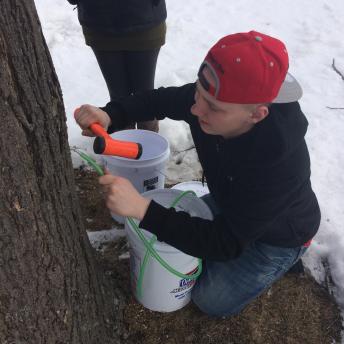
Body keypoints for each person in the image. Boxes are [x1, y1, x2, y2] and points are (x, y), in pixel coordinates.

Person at [75, 31, 321, 317]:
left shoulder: (276, 165)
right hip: (235, 205)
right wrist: (111, 114)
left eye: (213, 107)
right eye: (198, 95)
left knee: (210, 300)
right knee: (192, 233)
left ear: (257, 115)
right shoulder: (217, 101)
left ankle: (288, 260)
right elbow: (162, 100)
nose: (195, 109)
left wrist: (144, 209)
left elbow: (225, 243)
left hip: (279, 236)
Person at [67, 0, 167, 132]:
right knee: (121, 97)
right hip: (101, 26)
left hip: (142, 22)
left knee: (145, 97)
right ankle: (126, 145)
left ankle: (151, 147)